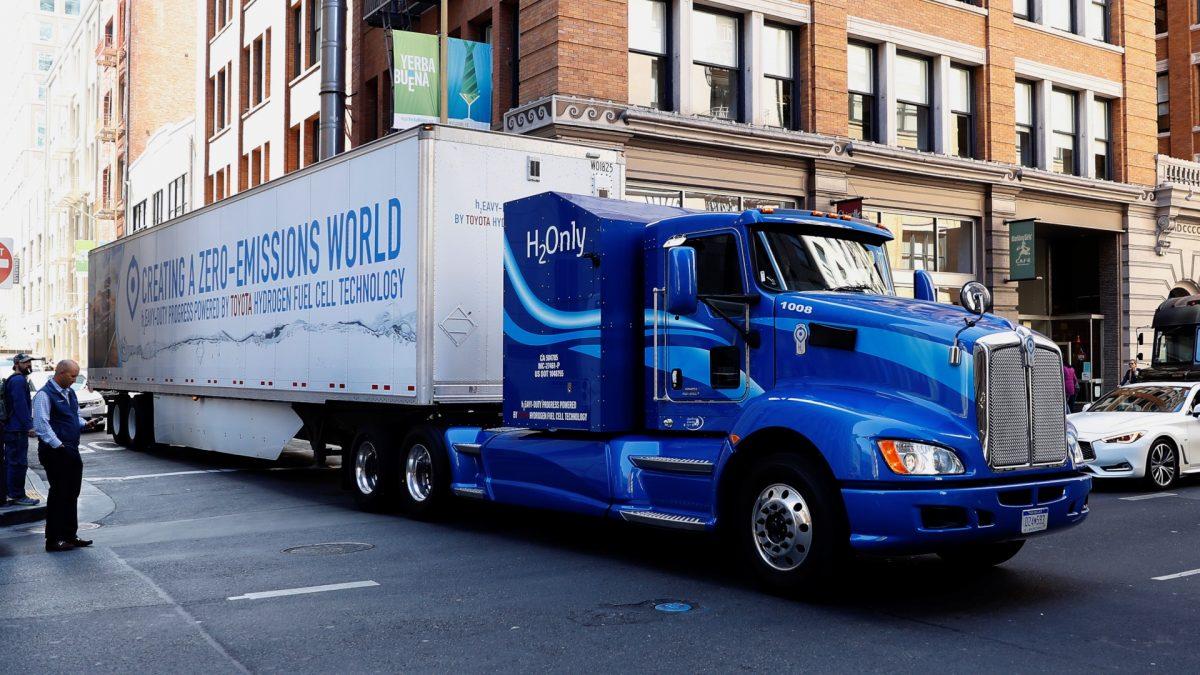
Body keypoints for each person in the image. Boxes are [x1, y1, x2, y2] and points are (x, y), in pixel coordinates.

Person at [32, 359, 90, 552]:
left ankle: (69, 535)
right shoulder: (44, 395)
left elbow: (73, 416)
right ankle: (53, 539)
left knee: (72, 493)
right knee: (59, 493)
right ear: (61, 373)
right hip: (56, 452)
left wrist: (84, 424)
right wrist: (59, 445)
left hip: (71, 449)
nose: (75, 380)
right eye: (73, 376)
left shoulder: (69, 393)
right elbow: (41, 425)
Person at [3, 354, 39, 506]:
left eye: (30, 362)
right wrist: (28, 425)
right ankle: (17, 495)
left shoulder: (15, 379)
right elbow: (20, 405)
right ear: (17, 363)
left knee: (13, 461)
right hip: (16, 429)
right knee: (18, 462)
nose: (29, 365)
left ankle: (12, 492)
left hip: (13, 428)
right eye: (26, 362)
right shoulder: (18, 381)